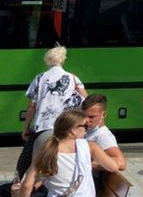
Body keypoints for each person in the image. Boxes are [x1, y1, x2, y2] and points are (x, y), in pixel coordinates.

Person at [17, 46, 88, 178]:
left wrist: (25, 127)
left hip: (41, 127)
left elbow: (32, 106)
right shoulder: (73, 78)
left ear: (47, 61)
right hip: (64, 127)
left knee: (25, 160)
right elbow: (85, 100)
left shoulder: (39, 78)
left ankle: (18, 184)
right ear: (63, 60)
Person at [15, 109, 119, 197]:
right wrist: (92, 165)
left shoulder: (46, 150)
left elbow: (27, 185)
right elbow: (113, 167)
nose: (87, 130)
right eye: (85, 126)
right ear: (73, 130)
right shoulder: (89, 146)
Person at [81, 94, 126, 171]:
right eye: (84, 116)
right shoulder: (88, 131)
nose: (86, 120)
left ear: (103, 114)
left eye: (91, 117)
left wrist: (87, 164)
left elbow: (121, 163)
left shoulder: (103, 136)